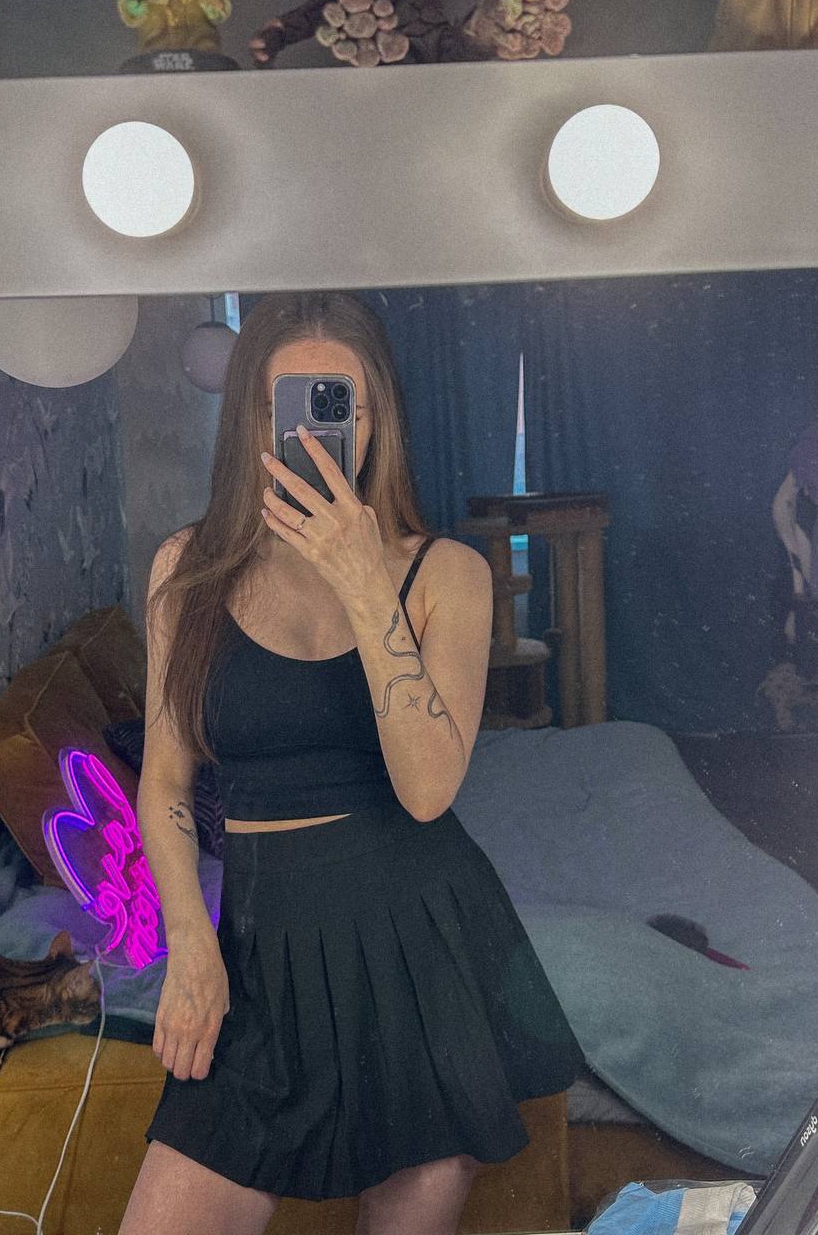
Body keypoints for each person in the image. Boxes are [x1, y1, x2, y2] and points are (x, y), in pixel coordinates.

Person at [119, 291, 584, 1235]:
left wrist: (367, 582)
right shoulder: (186, 568)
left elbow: (428, 791)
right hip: (260, 946)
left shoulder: (447, 574)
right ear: (251, 419)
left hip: (415, 941)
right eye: (288, 407)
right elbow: (164, 781)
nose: (315, 435)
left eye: (340, 407)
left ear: (377, 424)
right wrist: (190, 944)